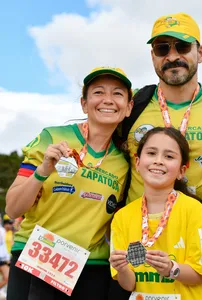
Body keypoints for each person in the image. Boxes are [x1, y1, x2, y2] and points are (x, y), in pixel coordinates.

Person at [117, 12, 202, 300]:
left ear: (200, 52)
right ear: (153, 56)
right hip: (137, 242)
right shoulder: (132, 104)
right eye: (162, 48)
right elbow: (97, 144)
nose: (172, 56)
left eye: (182, 47)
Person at [5, 67, 133, 300]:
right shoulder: (52, 137)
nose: (107, 100)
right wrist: (43, 170)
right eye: (98, 92)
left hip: (92, 267)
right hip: (36, 258)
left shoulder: (125, 163)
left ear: (128, 107)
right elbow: (13, 209)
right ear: (84, 104)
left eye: (117, 93)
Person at [110, 127, 202, 299]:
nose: (158, 161)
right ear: (137, 163)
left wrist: (171, 268)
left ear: (181, 171)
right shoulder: (122, 217)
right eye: (152, 153)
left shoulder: (194, 210)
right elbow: (129, 284)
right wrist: (122, 268)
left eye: (169, 156)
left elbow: (201, 274)